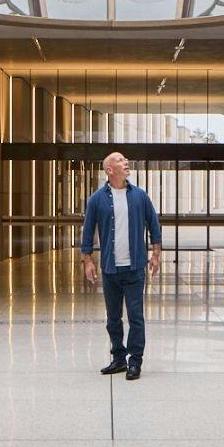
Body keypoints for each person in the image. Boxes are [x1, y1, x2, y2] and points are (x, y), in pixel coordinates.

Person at [80, 151, 162, 380]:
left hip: (135, 268)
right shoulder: (96, 199)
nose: (125, 162)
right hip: (110, 269)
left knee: (136, 316)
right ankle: (118, 358)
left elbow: (154, 226)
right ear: (109, 170)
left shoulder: (140, 196)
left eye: (125, 159)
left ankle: (135, 361)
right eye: (119, 160)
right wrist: (88, 262)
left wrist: (156, 254)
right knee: (113, 317)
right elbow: (88, 232)